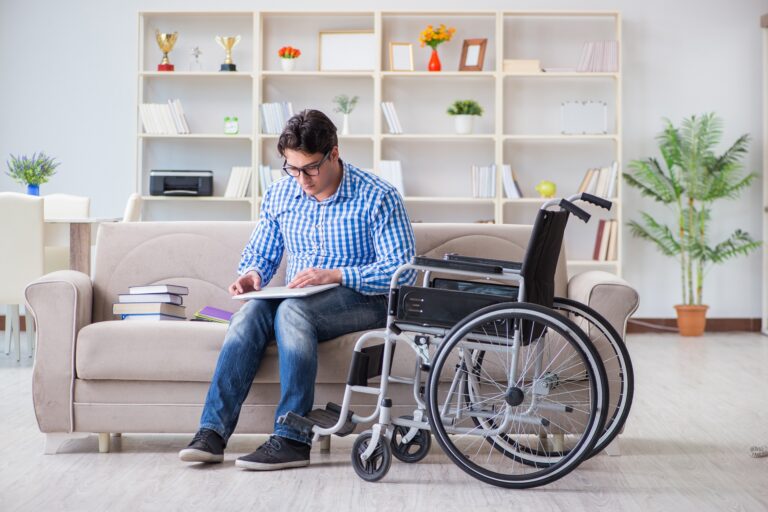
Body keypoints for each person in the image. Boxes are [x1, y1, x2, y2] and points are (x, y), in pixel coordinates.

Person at [179, 109, 416, 470]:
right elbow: (261, 251)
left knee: (292, 311)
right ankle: (212, 433)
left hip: (367, 298)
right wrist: (252, 273)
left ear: (333, 153)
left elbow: (402, 273)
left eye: (310, 168)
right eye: (292, 168)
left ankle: (292, 438)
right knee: (249, 316)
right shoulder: (281, 194)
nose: (301, 179)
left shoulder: (378, 196)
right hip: (300, 295)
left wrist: (336, 275)